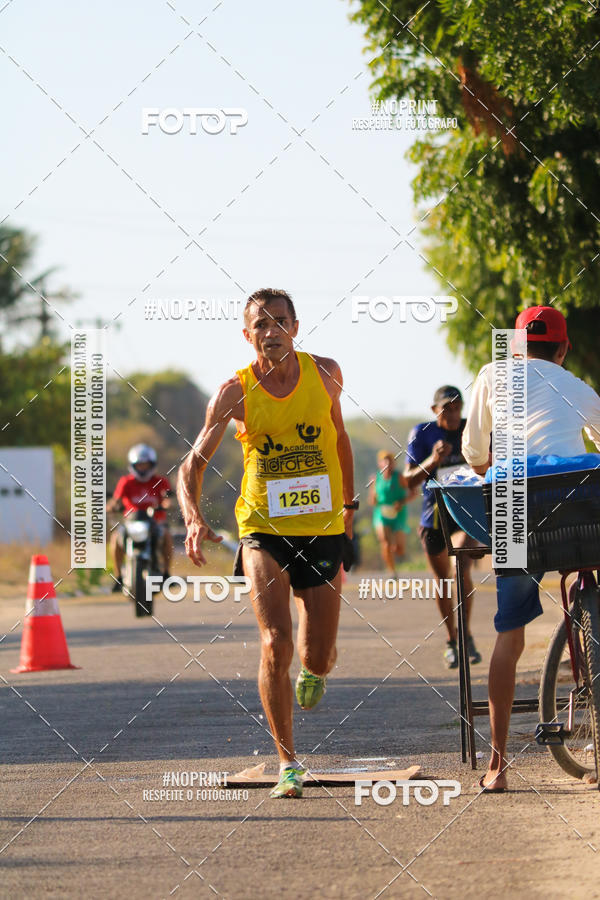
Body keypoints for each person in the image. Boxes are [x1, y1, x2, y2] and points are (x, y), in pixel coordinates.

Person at [177, 288, 356, 799]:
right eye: (260, 324)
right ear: (247, 334)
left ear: (295, 328)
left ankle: (315, 669)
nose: (270, 331)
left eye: (279, 321)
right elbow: (192, 464)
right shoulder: (234, 392)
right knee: (276, 641)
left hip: (321, 527)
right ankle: (288, 763)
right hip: (262, 527)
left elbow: (340, 437)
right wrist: (193, 518)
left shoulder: (326, 373)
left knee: (317, 655)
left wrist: (349, 507)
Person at [462, 306, 600, 792]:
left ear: (517, 348)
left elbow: (474, 452)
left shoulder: (492, 374)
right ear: (562, 350)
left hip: (513, 504)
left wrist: (487, 468)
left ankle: (497, 766)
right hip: (574, 508)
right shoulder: (577, 387)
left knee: (511, 632)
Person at [404, 386, 482, 668]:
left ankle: (467, 634)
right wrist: (433, 460)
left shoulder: (470, 429)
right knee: (444, 581)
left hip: (464, 512)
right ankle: (451, 638)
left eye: (457, 408)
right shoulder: (422, 433)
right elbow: (408, 481)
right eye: (447, 408)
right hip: (434, 516)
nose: (453, 413)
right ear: (434, 410)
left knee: (461, 567)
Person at [106, 444, 173, 592]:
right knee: (116, 538)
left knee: (167, 536)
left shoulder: (160, 481)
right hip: (131, 522)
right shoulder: (126, 482)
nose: (143, 468)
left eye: (145, 465)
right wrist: (109, 507)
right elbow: (116, 500)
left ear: (152, 465)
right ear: (133, 466)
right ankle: (118, 576)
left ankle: (167, 574)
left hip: (155, 522)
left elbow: (167, 498)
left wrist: (167, 504)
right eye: (139, 465)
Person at [369, 451, 412, 573]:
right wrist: (373, 497)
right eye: (384, 460)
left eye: (390, 460)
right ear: (380, 463)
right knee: (385, 543)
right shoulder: (376, 478)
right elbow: (372, 501)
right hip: (381, 514)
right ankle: (392, 571)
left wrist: (401, 502)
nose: (387, 463)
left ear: (394, 463)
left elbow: (413, 493)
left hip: (398, 514)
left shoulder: (399, 477)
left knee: (400, 549)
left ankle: (395, 549)